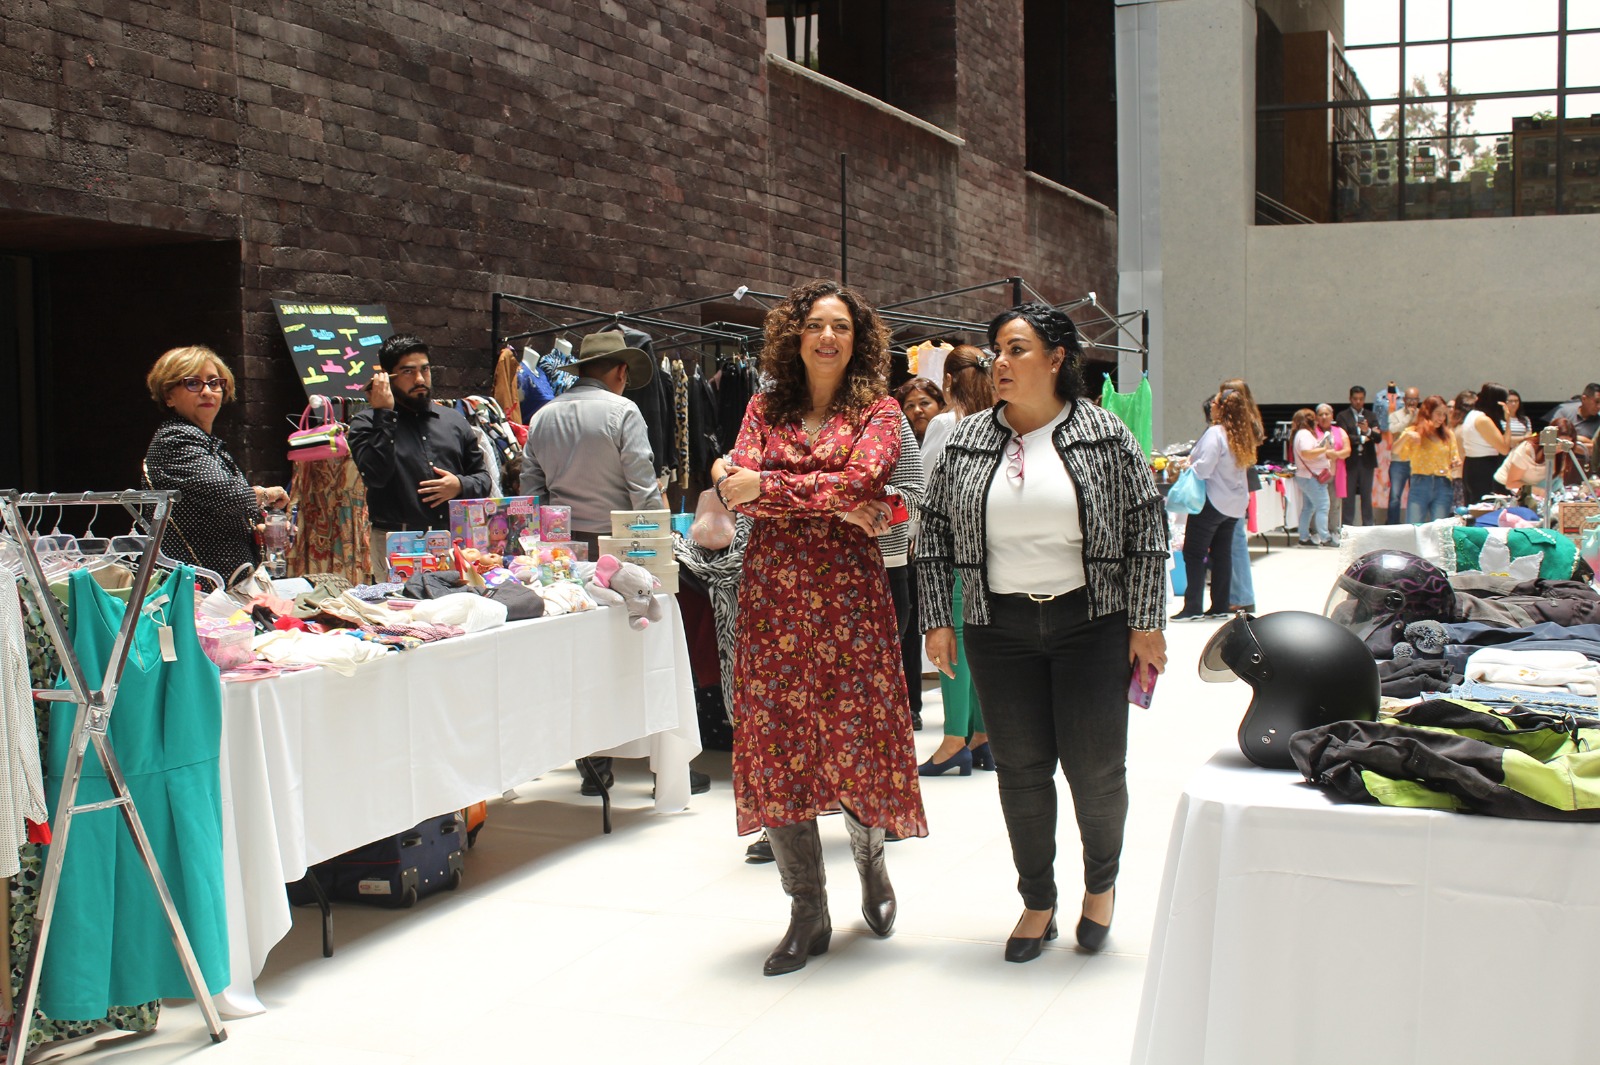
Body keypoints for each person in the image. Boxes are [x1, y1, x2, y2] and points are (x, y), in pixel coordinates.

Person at [917, 303, 1169, 962]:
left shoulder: (1105, 435)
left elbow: (1147, 528)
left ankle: (1100, 887)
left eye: (1017, 349)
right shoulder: (968, 439)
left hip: (1092, 622)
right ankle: (1037, 899)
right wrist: (937, 618)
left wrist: (1146, 622)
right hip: (998, 627)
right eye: (996, 351)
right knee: (1021, 771)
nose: (1000, 363)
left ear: (1057, 359)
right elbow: (932, 530)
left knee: (1095, 769)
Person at [713, 279, 927, 976]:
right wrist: (824, 498)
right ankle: (807, 908)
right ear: (795, 336)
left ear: (858, 340)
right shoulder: (763, 406)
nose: (827, 337)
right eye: (815, 325)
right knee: (777, 744)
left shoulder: (880, 409)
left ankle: (872, 864)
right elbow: (734, 490)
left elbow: (858, 484)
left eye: (841, 326)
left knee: (855, 739)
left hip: (850, 602)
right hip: (772, 599)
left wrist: (771, 488)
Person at [348, 334, 493, 577]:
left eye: (424, 369)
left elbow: (484, 479)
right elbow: (375, 476)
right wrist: (384, 415)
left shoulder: (454, 421)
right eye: (408, 371)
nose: (419, 379)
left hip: (452, 542)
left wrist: (459, 485)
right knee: (399, 602)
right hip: (397, 543)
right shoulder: (366, 423)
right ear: (387, 377)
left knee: (456, 602)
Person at [142, 345, 288, 582]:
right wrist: (266, 494)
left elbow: (219, 507)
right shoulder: (176, 439)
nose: (207, 392)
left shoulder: (205, 442)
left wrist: (256, 529)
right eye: (193, 383)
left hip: (221, 582)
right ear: (169, 396)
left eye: (214, 383)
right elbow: (228, 495)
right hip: (197, 586)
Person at [918, 344, 997, 776]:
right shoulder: (1001, 420)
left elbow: (927, 486)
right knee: (980, 637)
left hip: (951, 546)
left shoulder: (946, 424)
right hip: (993, 546)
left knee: (953, 638)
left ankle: (953, 741)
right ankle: (982, 735)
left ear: (948, 381)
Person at [520, 330, 666, 558]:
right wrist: (658, 548)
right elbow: (643, 492)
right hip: (616, 545)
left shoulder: (541, 416)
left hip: (559, 546)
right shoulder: (624, 412)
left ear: (581, 370)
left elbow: (531, 491)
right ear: (622, 371)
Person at [1173, 389, 1253, 620]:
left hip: (1213, 500)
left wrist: (1188, 465)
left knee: (1194, 553)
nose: (1212, 406)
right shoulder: (1241, 435)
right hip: (1234, 504)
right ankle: (1219, 605)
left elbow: (1204, 467)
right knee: (1221, 554)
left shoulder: (1215, 433)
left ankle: (1192, 607)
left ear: (1223, 408)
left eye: (1216, 403)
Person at [1218, 377, 1263, 612]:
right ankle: (1240, 594)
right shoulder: (1248, 421)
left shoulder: (1243, 423)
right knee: (1235, 541)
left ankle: (1242, 596)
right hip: (1238, 487)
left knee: (1236, 542)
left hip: (1235, 487)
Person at [1393, 395, 1456, 522]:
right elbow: (1395, 451)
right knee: (1415, 527)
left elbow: (1454, 457)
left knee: (1439, 528)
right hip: (1420, 483)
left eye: (1444, 415)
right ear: (1428, 412)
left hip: (1443, 484)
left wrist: (1455, 462)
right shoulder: (1413, 431)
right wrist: (1406, 436)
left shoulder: (1448, 434)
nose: (1441, 418)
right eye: (1438, 414)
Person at [1495, 417, 1580, 507]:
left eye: (1566, 445)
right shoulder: (1527, 450)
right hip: (1507, 492)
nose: (1561, 448)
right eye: (1559, 443)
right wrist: (1538, 490)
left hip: (1536, 495)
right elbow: (1511, 483)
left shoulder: (1562, 453)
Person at [1458, 383, 1513, 503]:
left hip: (1472, 465)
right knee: (1485, 506)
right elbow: (1504, 449)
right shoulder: (1483, 420)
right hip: (1484, 467)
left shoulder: (1472, 415)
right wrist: (1509, 421)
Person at [1335, 386, 1379, 527]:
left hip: (1367, 461)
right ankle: (1347, 526)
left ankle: (1368, 525)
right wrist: (1362, 438)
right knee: (1348, 496)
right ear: (1350, 399)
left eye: (1361, 399)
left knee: (1366, 495)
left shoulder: (1371, 416)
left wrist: (1368, 431)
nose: (1358, 402)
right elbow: (1344, 436)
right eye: (1355, 399)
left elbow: (1378, 437)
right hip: (1350, 461)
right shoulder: (1343, 416)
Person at [1290, 408, 1334, 547]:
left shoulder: (1301, 434)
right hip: (1311, 477)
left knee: (1309, 507)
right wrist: (1324, 449)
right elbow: (1306, 453)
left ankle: (1303, 537)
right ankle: (1325, 538)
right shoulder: (1304, 434)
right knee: (1323, 506)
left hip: (1306, 476)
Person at [1383, 386, 1421, 524]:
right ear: (1404, 400)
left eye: (1415, 399)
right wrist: (1409, 417)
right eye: (1409, 399)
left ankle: (1414, 524)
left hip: (1417, 461)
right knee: (1395, 496)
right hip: (1398, 461)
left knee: (1416, 495)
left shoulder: (1422, 415)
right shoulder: (1395, 415)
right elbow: (1393, 430)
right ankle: (1392, 526)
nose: (1412, 402)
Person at [1317, 404, 1351, 545]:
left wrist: (1335, 454)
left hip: (1336, 473)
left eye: (1327, 414)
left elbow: (1347, 451)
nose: (1324, 417)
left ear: (1332, 416)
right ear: (1316, 417)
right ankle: (1317, 532)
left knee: (1335, 505)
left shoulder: (1340, 431)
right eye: (1321, 414)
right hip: (1318, 475)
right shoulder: (1312, 432)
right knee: (1319, 505)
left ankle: (1334, 531)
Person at [1546, 383, 1600, 464]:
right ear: (1584, 399)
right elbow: (1551, 439)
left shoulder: (1598, 422)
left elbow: (1594, 450)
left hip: (1585, 464)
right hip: (1560, 462)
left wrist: (1568, 441)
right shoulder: (1564, 412)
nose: (1599, 406)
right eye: (1597, 402)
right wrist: (1582, 442)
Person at [895, 377, 945, 445]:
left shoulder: (954, 436)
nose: (917, 410)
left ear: (941, 405)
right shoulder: (898, 445)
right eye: (910, 406)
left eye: (924, 403)